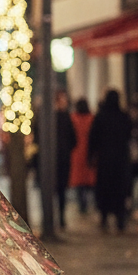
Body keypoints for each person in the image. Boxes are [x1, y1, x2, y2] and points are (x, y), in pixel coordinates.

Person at [88, 88, 133, 233]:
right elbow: (129, 134)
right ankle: (120, 218)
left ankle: (104, 216)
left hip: (105, 159)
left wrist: (91, 156)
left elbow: (93, 138)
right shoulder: (123, 117)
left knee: (105, 188)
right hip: (120, 159)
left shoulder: (101, 117)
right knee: (119, 189)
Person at [54, 89, 77, 230]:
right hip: (61, 157)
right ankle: (59, 218)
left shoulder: (58, 117)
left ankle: (60, 217)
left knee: (59, 189)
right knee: (60, 189)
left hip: (61, 158)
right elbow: (74, 140)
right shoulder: (64, 117)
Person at [68, 98, 95, 215]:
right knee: (89, 179)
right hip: (88, 152)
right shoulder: (92, 119)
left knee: (79, 181)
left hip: (76, 152)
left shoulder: (73, 118)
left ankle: (81, 204)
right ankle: (89, 202)